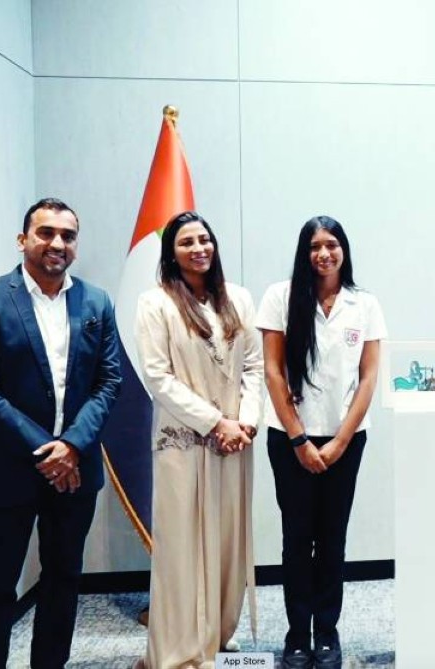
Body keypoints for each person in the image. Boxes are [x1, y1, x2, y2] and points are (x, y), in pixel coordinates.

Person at [0, 197, 122, 668]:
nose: (57, 243)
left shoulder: (96, 301)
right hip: (7, 470)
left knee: (64, 579)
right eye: (46, 232)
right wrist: (46, 450)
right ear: (23, 239)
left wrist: (72, 445)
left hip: (76, 469)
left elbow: (110, 381)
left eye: (68, 235)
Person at [135, 211, 263, 668]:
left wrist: (245, 422)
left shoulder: (239, 299)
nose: (198, 248)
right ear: (171, 252)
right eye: (186, 242)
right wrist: (215, 423)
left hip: (234, 444)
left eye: (204, 239)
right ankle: (181, 651)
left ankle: (217, 637)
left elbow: (254, 367)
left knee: (228, 542)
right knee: (182, 548)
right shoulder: (156, 304)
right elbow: (158, 376)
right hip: (183, 443)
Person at [258, 216, 386, 669]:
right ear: (304, 252)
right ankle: (297, 636)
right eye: (315, 246)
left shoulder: (364, 303)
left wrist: (340, 441)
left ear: (343, 250)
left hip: (346, 440)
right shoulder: (280, 297)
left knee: (332, 540)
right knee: (297, 540)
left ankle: (327, 633)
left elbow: (369, 377)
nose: (324, 253)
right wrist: (299, 440)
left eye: (332, 244)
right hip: (289, 439)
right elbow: (272, 371)